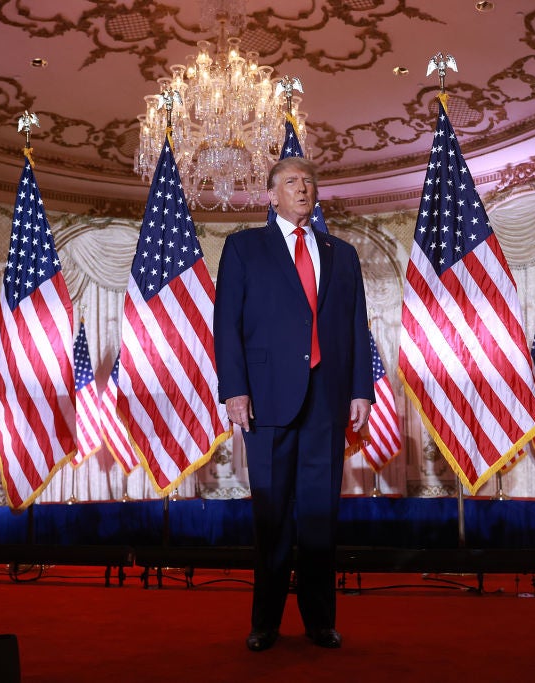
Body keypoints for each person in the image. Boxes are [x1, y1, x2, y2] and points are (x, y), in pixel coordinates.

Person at [213, 156, 374, 652]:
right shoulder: (244, 248)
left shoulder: (342, 254)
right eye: (290, 182)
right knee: (273, 517)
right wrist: (234, 388)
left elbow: (355, 327)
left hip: (327, 402)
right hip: (266, 402)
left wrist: (360, 390)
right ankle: (265, 622)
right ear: (270, 196)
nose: (301, 189)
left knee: (321, 515)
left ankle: (320, 621)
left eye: (308, 182)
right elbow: (227, 326)